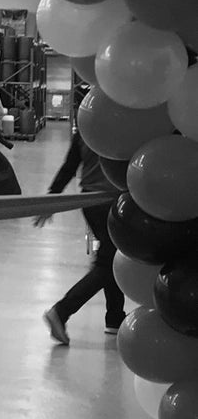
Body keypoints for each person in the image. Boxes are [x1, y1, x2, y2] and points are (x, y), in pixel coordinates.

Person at [35, 125, 124, 345]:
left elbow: (69, 166)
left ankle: (115, 319)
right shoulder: (125, 124)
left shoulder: (88, 126)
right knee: (107, 263)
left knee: (113, 258)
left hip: (90, 203)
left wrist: (52, 199)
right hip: (112, 202)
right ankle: (61, 311)